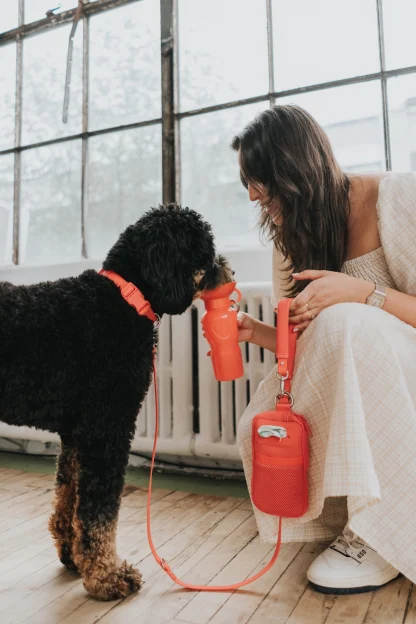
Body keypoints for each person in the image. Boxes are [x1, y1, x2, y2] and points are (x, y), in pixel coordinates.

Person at [231, 104, 416, 595]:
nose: (251, 193)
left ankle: (384, 529)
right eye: (246, 181)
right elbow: (313, 348)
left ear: (295, 167)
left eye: (258, 177)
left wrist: (362, 294)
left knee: (346, 320)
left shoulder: (398, 197)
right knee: (276, 394)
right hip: (368, 368)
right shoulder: (291, 238)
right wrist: (259, 332)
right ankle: (363, 512)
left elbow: (347, 323)